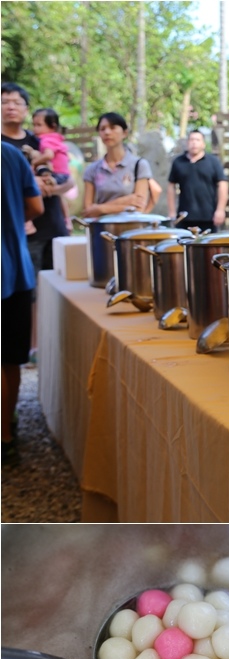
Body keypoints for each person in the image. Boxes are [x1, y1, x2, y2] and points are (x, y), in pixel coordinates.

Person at [2, 142, 44, 464]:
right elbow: (36, 206)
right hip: (11, 269)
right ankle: (5, 437)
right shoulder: (11, 154)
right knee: (9, 359)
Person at [1, 83, 69, 275]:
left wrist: (46, 186)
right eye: (4, 102)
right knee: (28, 292)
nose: (11, 107)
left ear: (26, 110)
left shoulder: (40, 141)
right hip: (17, 231)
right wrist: (29, 185)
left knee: (58, 289)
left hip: (53, 226)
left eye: (17, 102)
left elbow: (69, 180)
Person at [82, 112, 152, 218]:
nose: (107, 132)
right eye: (102, 129)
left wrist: (100, 208)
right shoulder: (92, 169)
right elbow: (88, 211)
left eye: (113, 127)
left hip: (132, 229)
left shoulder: (139, 165)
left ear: (124, 133)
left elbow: (139, 207)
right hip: (102, 230)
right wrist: (127, 201)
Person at [167, 129, 229, 232]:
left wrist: (220, 210)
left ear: (203, 144)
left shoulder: (213, 162)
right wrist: (172, 212)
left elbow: (223, 184)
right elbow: (171, 186)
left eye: (197, 140)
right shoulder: (178, 162)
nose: (194, 142)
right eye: (191, 140)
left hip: (209, 217)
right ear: (187, 143)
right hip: (184, 217)